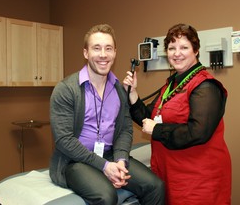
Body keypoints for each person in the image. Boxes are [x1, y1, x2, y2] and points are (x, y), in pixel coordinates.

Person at [49, 24, 165, 205]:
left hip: (111, 155)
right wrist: (104, 166)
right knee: (106, 196)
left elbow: (125, 129)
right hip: (75, 161)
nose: (103, 54)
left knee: (155, 186)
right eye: (96, 48)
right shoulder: (66, 89)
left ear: (115, 53)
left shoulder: (119, 89)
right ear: (86, 53)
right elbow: (64, 140)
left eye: (108, 49)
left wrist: (120, 160)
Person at [123, 23, 231, 205]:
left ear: (196, 50)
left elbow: (198, 132)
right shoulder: (173, 84)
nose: (177, 53)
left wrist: (157, 130)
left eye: (184, 47)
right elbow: (148, 117)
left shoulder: (206, 86)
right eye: (172, 48)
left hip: (199, 179)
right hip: (172, 174)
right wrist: (133, 94)